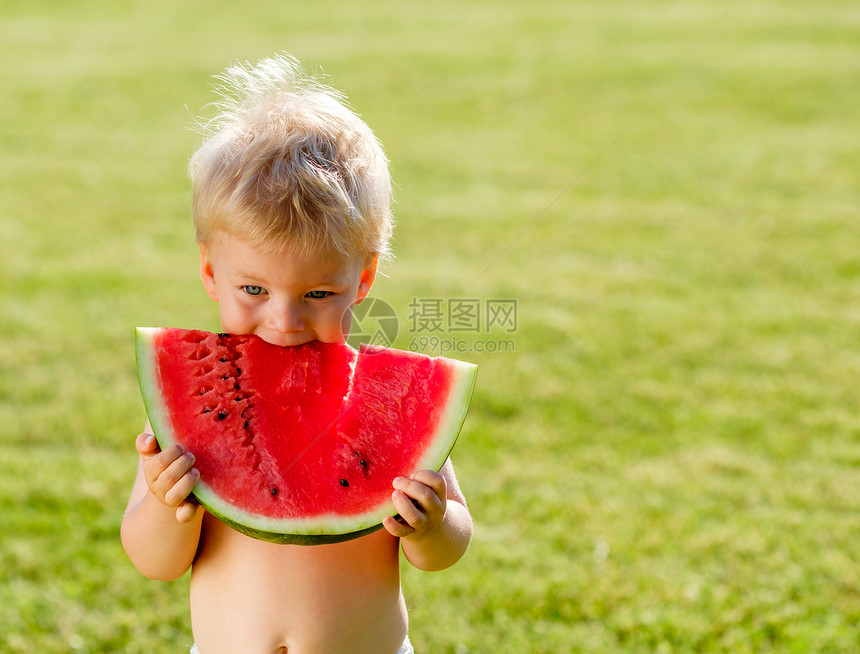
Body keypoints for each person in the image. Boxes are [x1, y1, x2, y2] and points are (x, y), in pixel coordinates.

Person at [120, 53, 473, 654]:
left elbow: (446, 548)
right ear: (211, 271)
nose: (284, 321)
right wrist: (165, 507)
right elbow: (155, 562)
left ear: (363, 279)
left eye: (318, 293)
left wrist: (434, 523)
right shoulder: (197, 415)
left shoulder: (384, 401)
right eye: (253, 290)